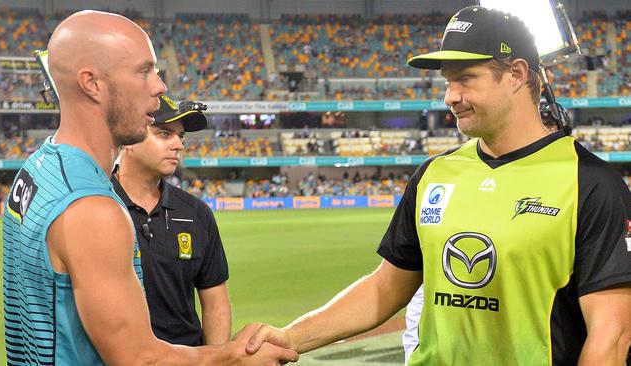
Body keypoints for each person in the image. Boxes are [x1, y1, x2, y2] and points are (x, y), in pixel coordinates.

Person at [242, 6, 631, 365]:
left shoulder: (591, 184)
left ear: (516, 74)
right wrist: (290, 337)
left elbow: (611, 335)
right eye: (447, 82)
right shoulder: (434, 174)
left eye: (464, 79)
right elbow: (385, 288)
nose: (450, 97)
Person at [2, 10, 297, 365]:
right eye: (144, 71)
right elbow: (139, 359)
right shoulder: (92, 210)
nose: (160, 86)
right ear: (91, 83)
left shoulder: (37, 168)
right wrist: (234, 357)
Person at [112, 95, 231, 347]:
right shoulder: (96, 207)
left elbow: (215, 301)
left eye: (181, 136)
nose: (178, 145)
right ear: (129, 139)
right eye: (165, 134)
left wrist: (216, 359)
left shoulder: (197, 213)